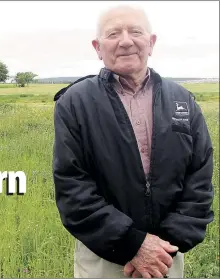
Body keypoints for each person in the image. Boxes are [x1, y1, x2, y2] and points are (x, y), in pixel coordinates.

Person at [52, 5, 214, 278]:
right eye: (113, 33)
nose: (125, 41)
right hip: (103, 258)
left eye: (135, 32)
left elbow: (199, 181)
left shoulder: (182, 101)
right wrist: (134, 246)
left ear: (151, 43)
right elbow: (72, 187)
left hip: (166, 256)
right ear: (97, 47)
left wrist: (162, 247)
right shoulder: (75, 103)